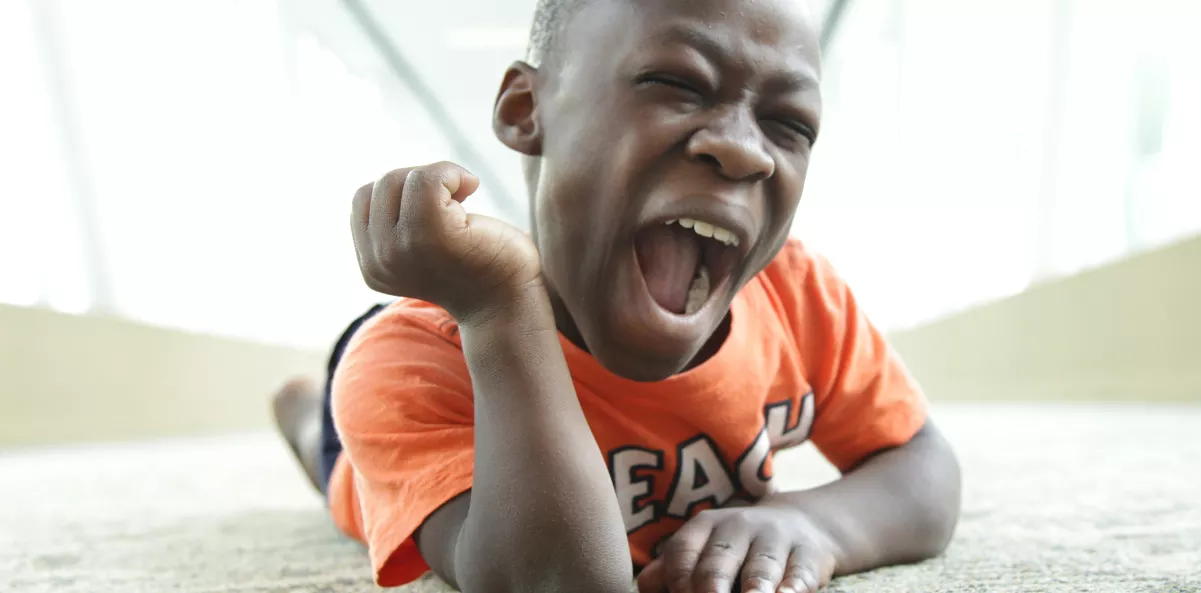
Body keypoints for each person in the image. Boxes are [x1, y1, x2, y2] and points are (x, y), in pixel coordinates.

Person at [271, 0, 962, 591]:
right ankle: (302, 406)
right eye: (676, 83)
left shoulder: (798, 296)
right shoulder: (417, 360)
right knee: (330, 458)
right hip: (405, 375)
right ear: (525, 110)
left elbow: (923, 466)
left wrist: (816, 521)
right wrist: (494, 308)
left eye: (790, 124)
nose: (746, 152)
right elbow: (558, 581)